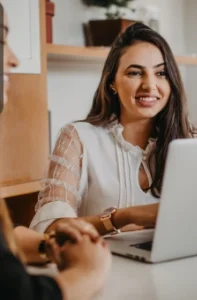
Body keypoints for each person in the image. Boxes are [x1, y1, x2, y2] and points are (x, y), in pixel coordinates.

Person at [30, 22, 197, 235]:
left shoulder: (188, 140)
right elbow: (51, 229)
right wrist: (123, 217)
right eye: (135, 73)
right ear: (112, 83)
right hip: (101, 264)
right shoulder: (78, 138)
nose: (150, 85)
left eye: (161, 73)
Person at [0, 5, 111, 299]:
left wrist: (47, 245)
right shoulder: (77, 136)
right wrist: (87, 272)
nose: (13, 59)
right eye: (2, 41)